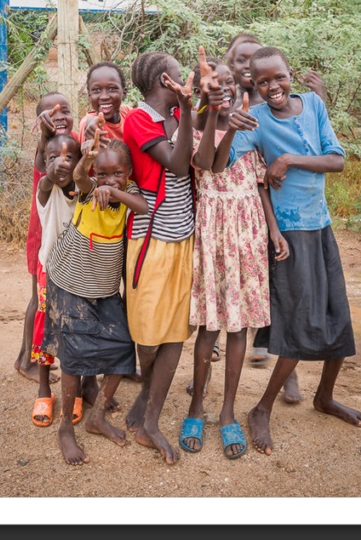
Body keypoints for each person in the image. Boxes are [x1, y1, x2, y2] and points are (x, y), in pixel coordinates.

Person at [216, 45, 361, 455]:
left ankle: (325, 396)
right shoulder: (256, 120)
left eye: (278, 77)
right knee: (300, 322)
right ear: (253, 84)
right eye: (262, 81)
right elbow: (223, 162)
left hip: (321, 225)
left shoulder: (314, 104)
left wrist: (288, 160)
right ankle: (261, 408)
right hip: (290, 232)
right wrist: (223, 119)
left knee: (338, 313)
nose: (272, 86)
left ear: (290, 73)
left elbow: (336, 160)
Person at [179, 53, 289, 460]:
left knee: (238, 327)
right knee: (210, 325)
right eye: (213, 83)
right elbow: (207, 163)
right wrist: (218, 119)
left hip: (248, 231)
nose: (222, 86)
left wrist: (273, 230)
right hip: (213, 229)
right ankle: (196, 406)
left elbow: (261, 185)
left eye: (228, 81)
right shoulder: (195, 126)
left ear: (238, 85)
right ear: (202, 89)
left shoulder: (253, 120)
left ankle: (227, 412)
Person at [226, 33, 325, 398]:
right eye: (241, 60)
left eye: (253, 60)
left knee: (278, 289)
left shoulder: (280, 104)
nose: (247, 69)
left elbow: (313, 141)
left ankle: (287, 370)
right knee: (239, 289)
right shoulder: (228, 103)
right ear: (235, 67)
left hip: (276, 212)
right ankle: (220, 362)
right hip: (236, 214)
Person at [42, 134, 148, 465]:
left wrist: (114, 190)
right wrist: (88, 167)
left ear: (129, 172)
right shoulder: (88, 189)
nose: (108, 180)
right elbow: (78, 178)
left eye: (117, 173)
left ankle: (97, 415)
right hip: (70, 279)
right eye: (103, 175)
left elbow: (143, 207)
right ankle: (65, 430)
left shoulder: (128, 193)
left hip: (102, 286)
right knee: (73, 356)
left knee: (121, 346)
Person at [122, 51, 196, 465]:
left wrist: (190, 111)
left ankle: (150, 418)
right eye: (179, 70)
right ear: (166, 80)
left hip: (182, 236)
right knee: (148, 335)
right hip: (152, 240)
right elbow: (178, 165)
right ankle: (145, 398)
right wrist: (185, 112)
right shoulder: (139, 118)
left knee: (174, 332)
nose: (185, 75)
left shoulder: (177, 116)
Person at [77, 61, 142, 384]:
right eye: (96, 90)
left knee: (128, 289)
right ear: (88, 94)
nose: (105, 95)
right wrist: (89, 147)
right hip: (100, 225)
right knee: (100, 292)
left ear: (123, 92)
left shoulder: (131, 116)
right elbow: (85, 171)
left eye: (112, 88)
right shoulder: (88, 124)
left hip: (131, 218)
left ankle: (123, 361)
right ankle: (94, 366)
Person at [14, 92, 76, 387]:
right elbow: (43, 163)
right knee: (39, 300)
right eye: (52, 113)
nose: (60, 116)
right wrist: (43, 134)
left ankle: (30, 355)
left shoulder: (71, 142)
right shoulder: (45, 147)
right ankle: (26, 359)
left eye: (65, 111)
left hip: (65, 233)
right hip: (44, 231)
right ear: (41, 120)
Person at [32, 132, 80, 428]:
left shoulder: (84, 188)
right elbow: (46, 181)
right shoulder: (45, 192)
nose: (60, 163)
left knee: (77, 330)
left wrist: (76, 173)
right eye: (52, 157)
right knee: (46, 328)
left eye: (68, 157)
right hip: (50, 271)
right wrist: (51, 172)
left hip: (79, 274)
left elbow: (79, 183)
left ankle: (73, 389)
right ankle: (44, 388)